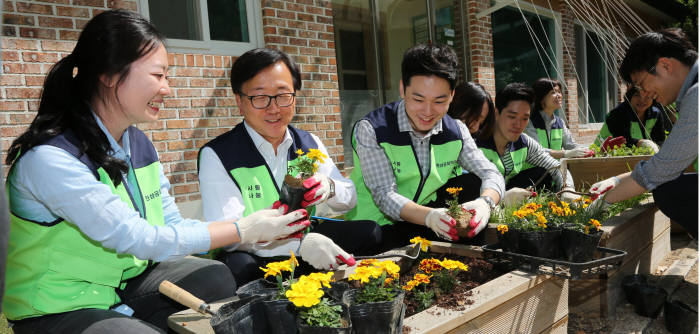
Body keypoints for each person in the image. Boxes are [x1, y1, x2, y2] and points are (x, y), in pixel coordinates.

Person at [3, 10, 310, 334]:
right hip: (59, 307)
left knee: (215, 275)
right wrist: (244, 229)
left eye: (283, 95)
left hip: (121, 283)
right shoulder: (51, 159)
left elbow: (172, 226)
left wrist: (309, 203)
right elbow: (135, 237)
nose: (166, 88)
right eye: (158, 75)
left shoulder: (139, 145)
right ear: (109, 74)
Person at [198, 48, 381, 285]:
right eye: (260, 97)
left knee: (372, 232)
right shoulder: (218, 154)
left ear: (295, 95)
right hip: (258, 252)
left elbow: (349, 199)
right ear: (240, 102)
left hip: (308, 237)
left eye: (283, 95)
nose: (274, 109)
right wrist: (300, 247)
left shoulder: (309, 143)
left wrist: (329, 187)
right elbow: (230, 236)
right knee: (238, 268)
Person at [346, 43, 505, 251]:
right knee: (373, 237)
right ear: (403, 89)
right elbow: (385, 196)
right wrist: (431, 217)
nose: (428, 112)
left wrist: (486, 203)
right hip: (379, 226)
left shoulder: (456, 130)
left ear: (452, 95)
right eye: (418, 99)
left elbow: (491, 172)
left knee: (474, 183)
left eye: (439, 101)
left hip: (423, 220)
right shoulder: (373, 129)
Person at [589, 28, 697, 238]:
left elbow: (663, 169)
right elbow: (675, 161)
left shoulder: (697, 96)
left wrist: (604, 201)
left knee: (669, 189)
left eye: (642, 84)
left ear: (665, 66)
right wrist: (618, 180)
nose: (644, 93)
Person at [475, 83, 579, 206]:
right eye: (512, 116)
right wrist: (503, 199)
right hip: (477, 203)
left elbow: (555, 167)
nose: (518, 125)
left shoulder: (524, 142)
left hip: (504, 197)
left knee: (542, 173)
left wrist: (568, 189)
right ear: (496, 113)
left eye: (525, 118)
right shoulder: (474, 145)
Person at [525, 78, 592, 159]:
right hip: (533, 171)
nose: (559, 96)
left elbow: (570, 145)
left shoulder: (559, 122)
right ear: (541, 98)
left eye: (559, 92)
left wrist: (592, 149)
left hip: (555, 169)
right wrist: (565, 153)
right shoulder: (528, 122)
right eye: (553, 92)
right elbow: (536, 151)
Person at [594, 85, 669, 153]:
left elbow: (660, 139)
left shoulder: (656, 114)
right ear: (630, 97)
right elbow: (622, 140)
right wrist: (643, 143)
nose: (642, 100)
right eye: (637, 95)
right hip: (603, 154)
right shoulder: (618, 113)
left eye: (647, 96)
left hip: (634, 155)